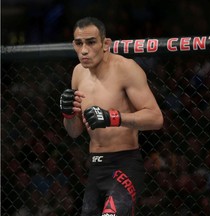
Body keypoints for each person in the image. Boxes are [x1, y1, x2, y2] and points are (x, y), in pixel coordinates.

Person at [59, 17, 163, 216]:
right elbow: (74, 132)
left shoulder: (126, 68)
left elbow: (156, 118)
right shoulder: (78, 73)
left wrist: (114, 117)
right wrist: (68, 114)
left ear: (105, 43)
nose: (84, 50)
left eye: (91, 42)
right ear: (73, 45)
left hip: (124, 163)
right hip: (96, 166)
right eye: (79, 43)